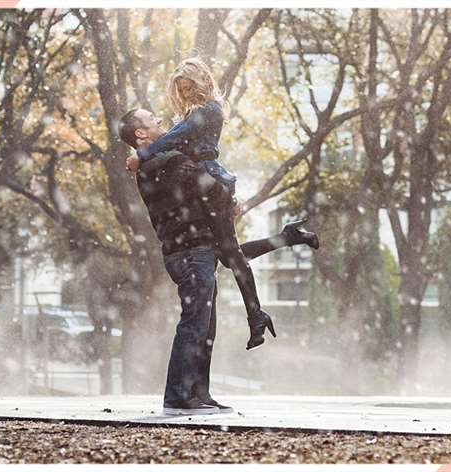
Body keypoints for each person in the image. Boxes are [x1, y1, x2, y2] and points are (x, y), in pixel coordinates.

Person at [118, 108, 318, 415]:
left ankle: (199, 394)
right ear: (141, 134)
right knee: (194, 324)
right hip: (189, 253)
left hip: (194, 250)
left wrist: (226, 199)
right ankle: (177, 397)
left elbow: (208, 203)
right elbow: (204, 184)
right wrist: (227, 195)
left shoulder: (161, 160)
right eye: (152, 119)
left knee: (205, 326)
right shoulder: (164, 161)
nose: (160, 120)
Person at [125, 57, 317, 349]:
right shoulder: (193, 115)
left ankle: (257, 315)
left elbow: (175, 138)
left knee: (232, 255)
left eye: (189, 88)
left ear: (201, 82)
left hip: (211, 182)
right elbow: (178, 141)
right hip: (207, 185)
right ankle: (285, 243)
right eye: (182, 91)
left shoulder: (209, 110)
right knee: (229, 255)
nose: (187, 95)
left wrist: (143, 153)